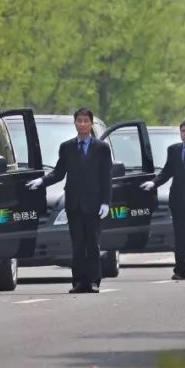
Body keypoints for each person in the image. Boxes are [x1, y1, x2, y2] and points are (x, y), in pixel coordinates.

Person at [26, 108, 112, 294]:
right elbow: (59, 173)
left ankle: (94, 280)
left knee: (93, 244)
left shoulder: (101, 148)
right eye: (79, 121)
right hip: (73, 203)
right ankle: (79, 281)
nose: (82, 124)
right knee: (77, 244)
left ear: (91, 124)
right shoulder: (67, 147)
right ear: (75, 124)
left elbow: (106, 177)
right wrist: (42, 181)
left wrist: (106, 202)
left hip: (94, 204)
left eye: (85, 121)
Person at [140, 119, 185, 280]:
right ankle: (180, 270)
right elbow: (167, 172)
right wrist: (153, 183)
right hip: (178, 202)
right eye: (183, 131)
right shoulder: (173, 150)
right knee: (179, 238)